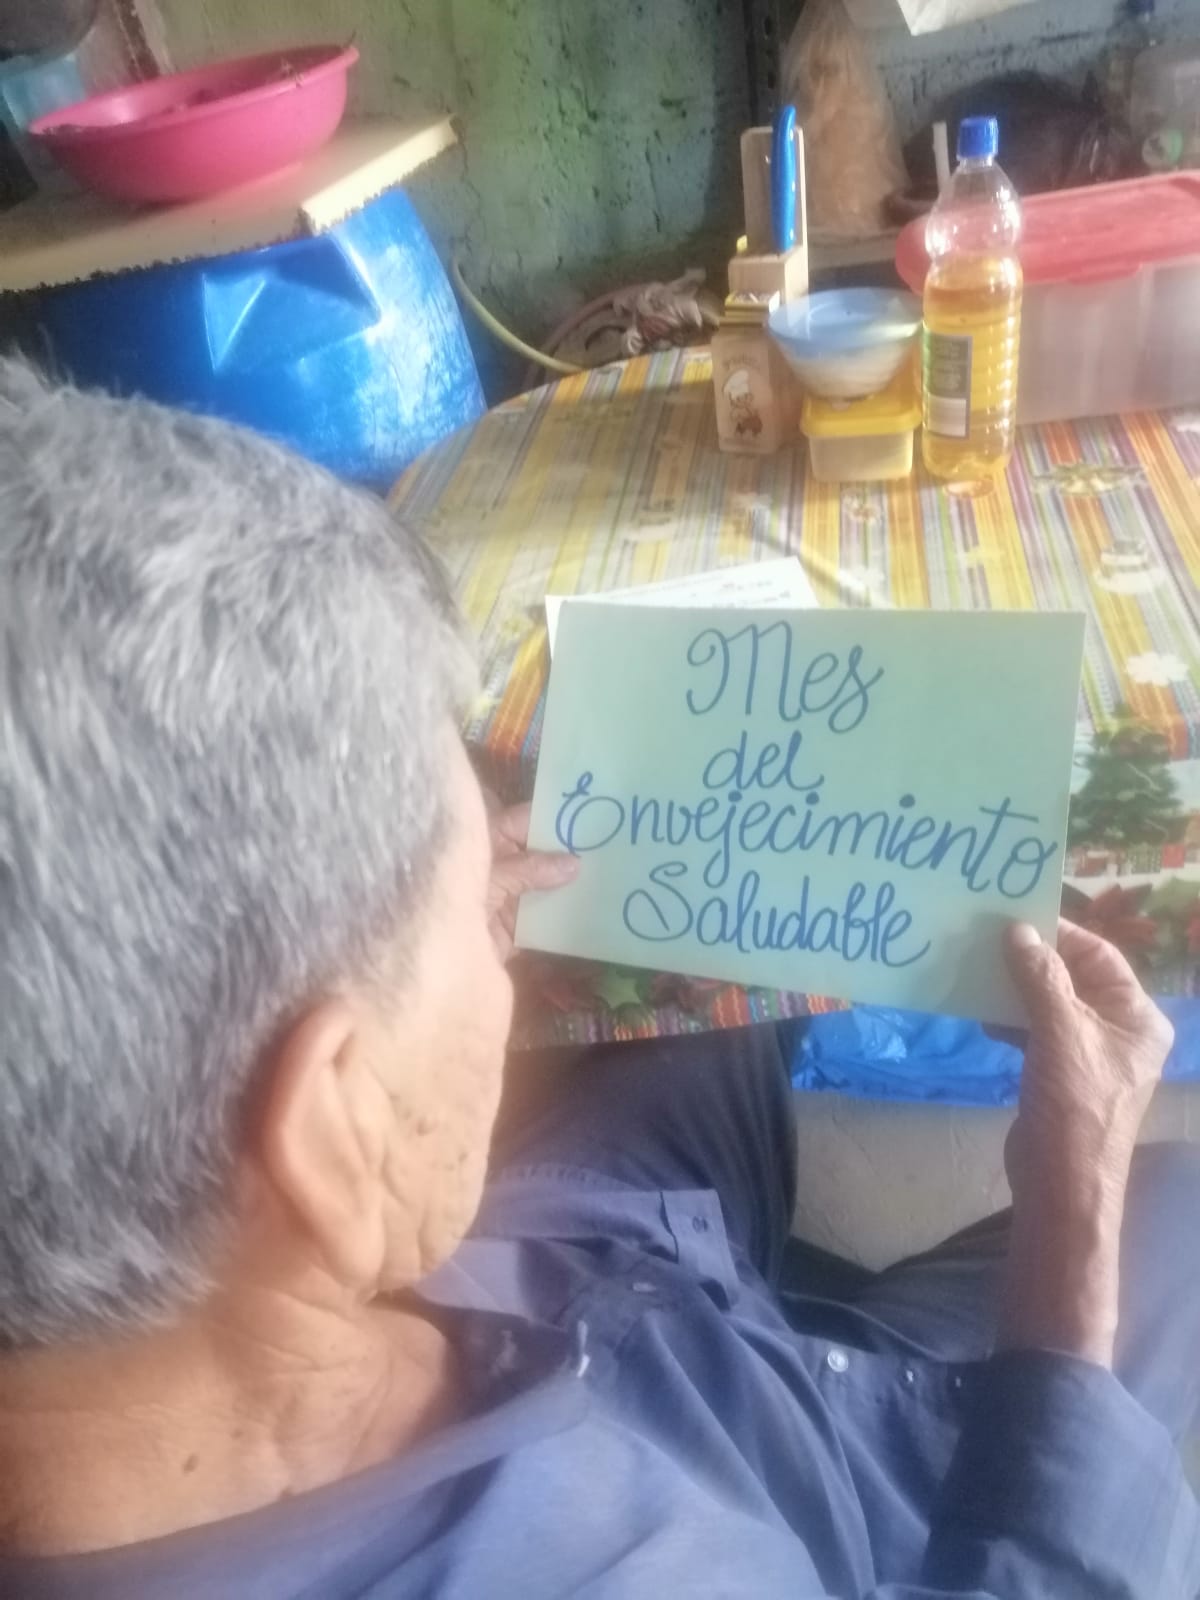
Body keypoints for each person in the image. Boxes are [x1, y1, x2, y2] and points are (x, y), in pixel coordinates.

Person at [0, 357, 1196, 1600]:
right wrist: (1073, 1220)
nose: (500, 953)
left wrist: (421, 929)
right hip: (824, 1481)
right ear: (332, 1129)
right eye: (468, 912)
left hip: (550, 1264)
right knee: (1174, 1209)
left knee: (709, 992)